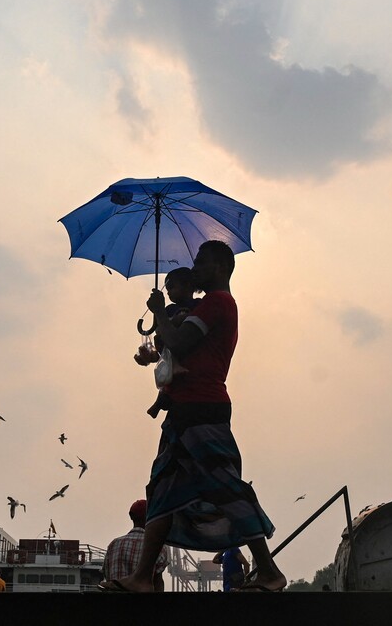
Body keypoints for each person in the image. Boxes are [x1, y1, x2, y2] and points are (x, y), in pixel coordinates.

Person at [102, 240, 286, 593]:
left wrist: (158, 311)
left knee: (227, 488)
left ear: (218, 266)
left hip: (203, 408)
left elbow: (181, 344)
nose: (194, 268)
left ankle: (269, 571)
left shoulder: (218, 303)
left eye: (200, 262)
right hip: (183, 411)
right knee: (162, 490)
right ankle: (142, 577)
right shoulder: (204, 307)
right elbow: (171, 347)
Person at [134, 267, 201, 418]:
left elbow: (181, 326)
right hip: (166, 348)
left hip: (180, 348)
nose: (168, 292)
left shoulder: (197, 305)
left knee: (168, 347)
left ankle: (161, 399)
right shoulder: (169, 309)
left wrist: (167, 318)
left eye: (171, 287)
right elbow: (159, 330)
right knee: (163, 353)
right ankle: (149, 358)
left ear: (188, 285)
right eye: (167, 288)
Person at [101, 499, 169, 592]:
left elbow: (108, 577)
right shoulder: (159, 547)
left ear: (131, 516)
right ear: (151, 516)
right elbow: (157, 582)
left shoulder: (114, 545)